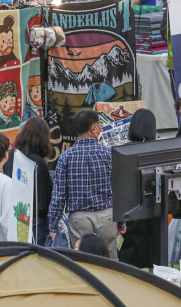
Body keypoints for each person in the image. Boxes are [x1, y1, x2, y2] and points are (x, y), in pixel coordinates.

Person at [48, 109, 124, 260]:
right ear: (93, 129)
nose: (101, 129)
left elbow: (58, 196)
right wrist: (121, 221)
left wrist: (53, 225)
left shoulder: (65, 158)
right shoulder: (109, 154)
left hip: (78, 218)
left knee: (81, 262)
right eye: (100, 125)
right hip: (107, 216)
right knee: (110, 262)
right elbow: (119, 189)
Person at [119, 108, 159, 270]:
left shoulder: (124, 153)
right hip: (155, 213)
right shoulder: (158, 152)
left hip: (130, 214)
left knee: (129, 264)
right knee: (155, 263)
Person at [3, 117, 54, 245]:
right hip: (36, 222)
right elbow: (47, 197)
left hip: (12, 217)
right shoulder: (39, 163)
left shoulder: (10, 157)